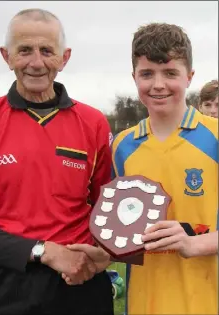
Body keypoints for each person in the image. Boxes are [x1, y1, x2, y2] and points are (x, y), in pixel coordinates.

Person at [67, 23, 218, 315]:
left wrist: (195, 243)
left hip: (206, 300)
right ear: (134, 77)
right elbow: (120, 229)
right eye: (147, 73)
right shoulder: (122, 146)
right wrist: (103, 255)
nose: (158, 84)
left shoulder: (215, 136)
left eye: (170, 73)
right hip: (142, 303)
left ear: (189, 77)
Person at [0, 8, 113, 315]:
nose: (36, 62)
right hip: (6, 282)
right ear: (6, 56)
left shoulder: (94, 122)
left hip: (80, 281)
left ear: (64, 58)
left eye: (47, 51)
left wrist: (105, 253)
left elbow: (106, 209)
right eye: (24, 50)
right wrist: (44, 251)